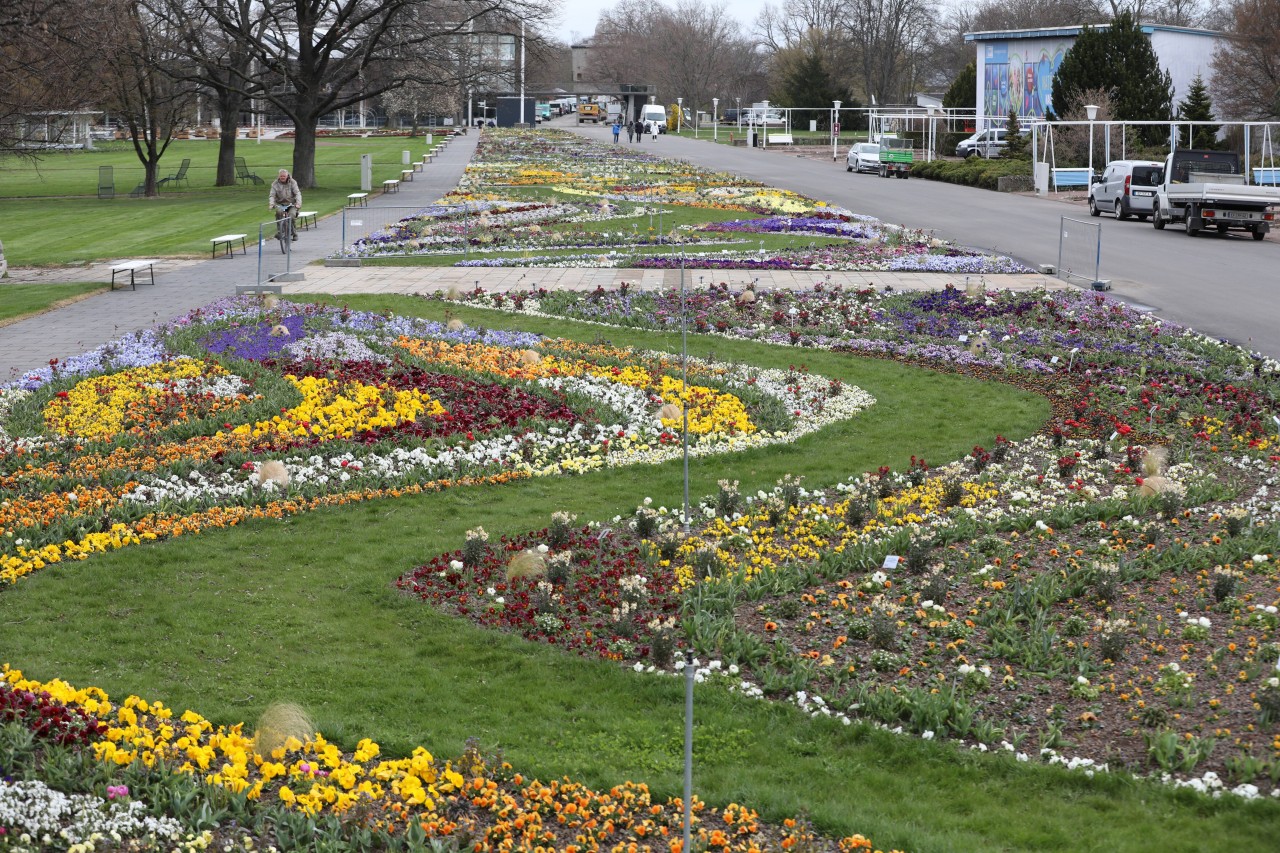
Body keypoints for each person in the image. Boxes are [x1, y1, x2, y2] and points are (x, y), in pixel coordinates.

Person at [268, 169, 302, 241]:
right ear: (279, 176)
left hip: (291, 204)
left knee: (291, 216)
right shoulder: (275, 184)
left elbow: (297, 193)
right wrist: (271, 204)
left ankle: (294, 233)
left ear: (287, 176)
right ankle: (280, 232)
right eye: (281, 176)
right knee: (278, 213)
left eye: (284, 176)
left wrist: (298, 203)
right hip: (280, 204)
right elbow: (272, 195)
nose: (282, 177)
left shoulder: (292, 182)